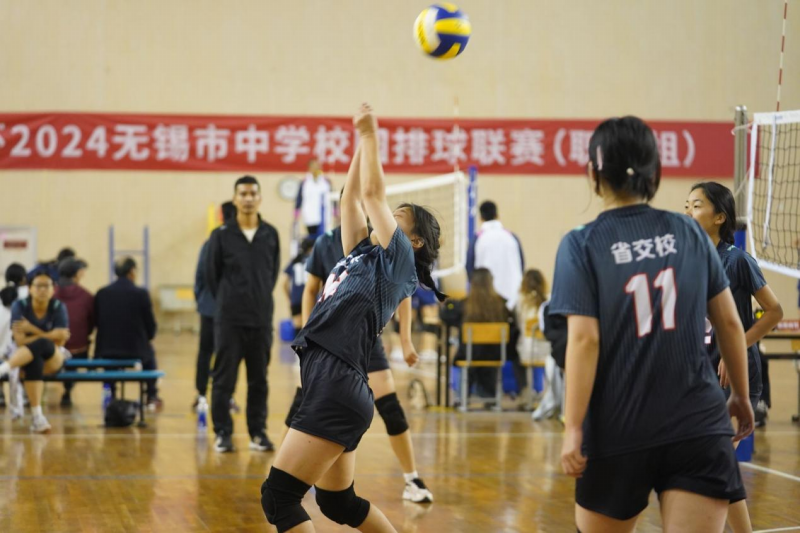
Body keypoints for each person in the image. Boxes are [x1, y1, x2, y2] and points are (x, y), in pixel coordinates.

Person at [550, 116, 754, 532]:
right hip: (698, 424)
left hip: (618, 428)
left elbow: (584, 341)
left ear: (593, 174)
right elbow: (731, 324)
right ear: (656, 172)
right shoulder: (689, 232)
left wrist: (572, 427)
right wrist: (740, 395)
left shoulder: (580, 243)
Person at [261, 104, 445, 533]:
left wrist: (369, 135)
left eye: (397, 219)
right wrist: (358, 145)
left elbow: (372, 196)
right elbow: (351, 198)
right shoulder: (362, 254)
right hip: (336, 380)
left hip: (338, 381)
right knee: (338, 503)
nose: (385, 218)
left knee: (279, 498)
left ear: (414, 241)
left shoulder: (399, 261)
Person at [281, 201, 434, 504]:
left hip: (365, 339)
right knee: (302, 404)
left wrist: (405, 339)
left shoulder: (380, 240)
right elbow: (311, 289)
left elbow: (401, 291)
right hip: (326, 340)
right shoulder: (327, 243)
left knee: (390, 406)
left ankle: (411, 477)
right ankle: (289, 469)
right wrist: (310, 330)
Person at [685, 181, 784, 533]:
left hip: (736, 375)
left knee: (718, 459)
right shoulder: (687, 260)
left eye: (697, 205)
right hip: (701, 376)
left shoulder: (737, 260)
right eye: (687, 205)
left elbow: (774, 311)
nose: (689, 211)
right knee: (712, 463)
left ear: (719, 217)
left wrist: (736, 347)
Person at [206, 176, 280, 453]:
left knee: (259, 380)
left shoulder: (270, 234)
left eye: (252, 193)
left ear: (259, 198)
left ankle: (257, 433)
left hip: (260, 321)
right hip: (229, 322)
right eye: (243, 194)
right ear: (235, 199)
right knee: (224, 380)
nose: (248, 198)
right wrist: (231, 302)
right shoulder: (221, 235)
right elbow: (212, 277)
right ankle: (223, 433)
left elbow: (271, 275)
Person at [0, 271, 70, 433]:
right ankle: (38, 417)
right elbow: (20, 341)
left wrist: (31, 329)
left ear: (53, 289)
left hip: (53, 358)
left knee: (43, 344)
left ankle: (4, 368)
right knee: (36, 357)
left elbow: (60, 341)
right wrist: (50, 335)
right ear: (30, 288)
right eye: (38, 286)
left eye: (47, 286)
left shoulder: (58, 307)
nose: (43, 290)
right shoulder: (20, 305)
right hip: (25, 359)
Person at [95, 257, 161, 408]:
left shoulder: (102, 293)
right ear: (132, 272)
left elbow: (97, 322)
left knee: (109, 359)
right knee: (149, 355)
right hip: (135, 350)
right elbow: (150, 325)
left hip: (107, 349)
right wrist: (148, 337)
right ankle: (151, 394)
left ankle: (110, 393)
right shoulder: (141, 293)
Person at [193, 201, 237, 411]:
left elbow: (199, 277)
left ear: (220, 216)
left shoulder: (209, 242)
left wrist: (202, 301)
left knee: (205, 352)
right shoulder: (239, 242)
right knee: (229, 354)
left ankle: (202, 395)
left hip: (209, 308)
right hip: (230, 310)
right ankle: (227, 398)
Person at [453, 268, 516, 400]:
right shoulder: (501, 304)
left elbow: (448, 317)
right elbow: (512, 324)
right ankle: (490, 395)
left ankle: (463, 396)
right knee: (487, 358)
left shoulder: (465, 305)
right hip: (495, 354)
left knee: (467, 354)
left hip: (470, 354)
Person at [466, 201, 524, 310]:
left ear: (481, 218)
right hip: (513, 298)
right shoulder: (512, 237)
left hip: (486, 298)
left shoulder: (477, 239)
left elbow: (469, 268)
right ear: (497, 215)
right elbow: (521, 265)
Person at [54, 258, 95, 407]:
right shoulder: (86, 296)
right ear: (77, 274)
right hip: (79, 349)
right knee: (78, 346)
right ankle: (68, 388)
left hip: (54, 348)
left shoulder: (51, 294)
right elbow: (91, 323)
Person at [514, 268, 548, 396]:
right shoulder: (548, 300)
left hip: (527, 351)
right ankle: (548, 393)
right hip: (547, 350)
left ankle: (525, 391)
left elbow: (518, 325)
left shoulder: (520, 301)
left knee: (515, 355)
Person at [0, 263, 29, 408]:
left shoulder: (2, 295)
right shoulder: (29, 295)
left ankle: (0, 394)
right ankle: (25, 394)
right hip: (22, 351)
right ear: (24, 278)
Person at [283, 237, 315, 335]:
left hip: (296, 299)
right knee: (310, 329)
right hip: (310, 298)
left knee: (298, 331)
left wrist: (290, 298)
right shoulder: (314, 260)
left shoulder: (295, 261)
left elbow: (284, 283)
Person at [295, 158, 332, 236]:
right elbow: (299, 197)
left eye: (317, 166)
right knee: (312, 235)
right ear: (309, 168)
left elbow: (332, 196)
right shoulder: (304, 182)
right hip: (310, 213)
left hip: (324, 213)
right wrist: (296, 210)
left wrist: (335, 210)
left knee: (324, 235)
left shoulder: (326, 181)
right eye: (313, 166)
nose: (316, 168)